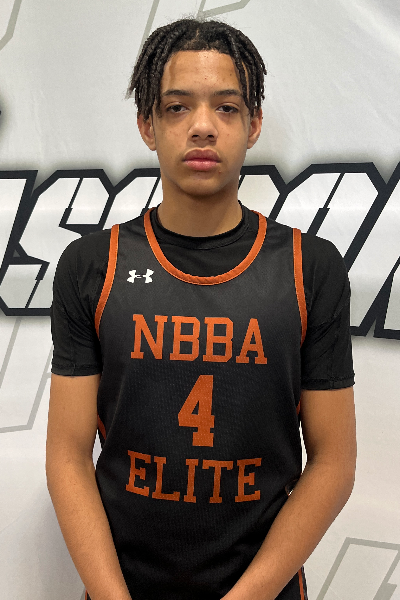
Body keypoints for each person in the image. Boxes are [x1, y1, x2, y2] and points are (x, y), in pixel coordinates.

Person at [46, 17, 356, 600]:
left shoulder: (309, 267)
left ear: (254, 124)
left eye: (227, 107)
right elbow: (67, 456)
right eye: (177, 107)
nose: (203, 126)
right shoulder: (92, 265)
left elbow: (334, 463)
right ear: (147, 124)